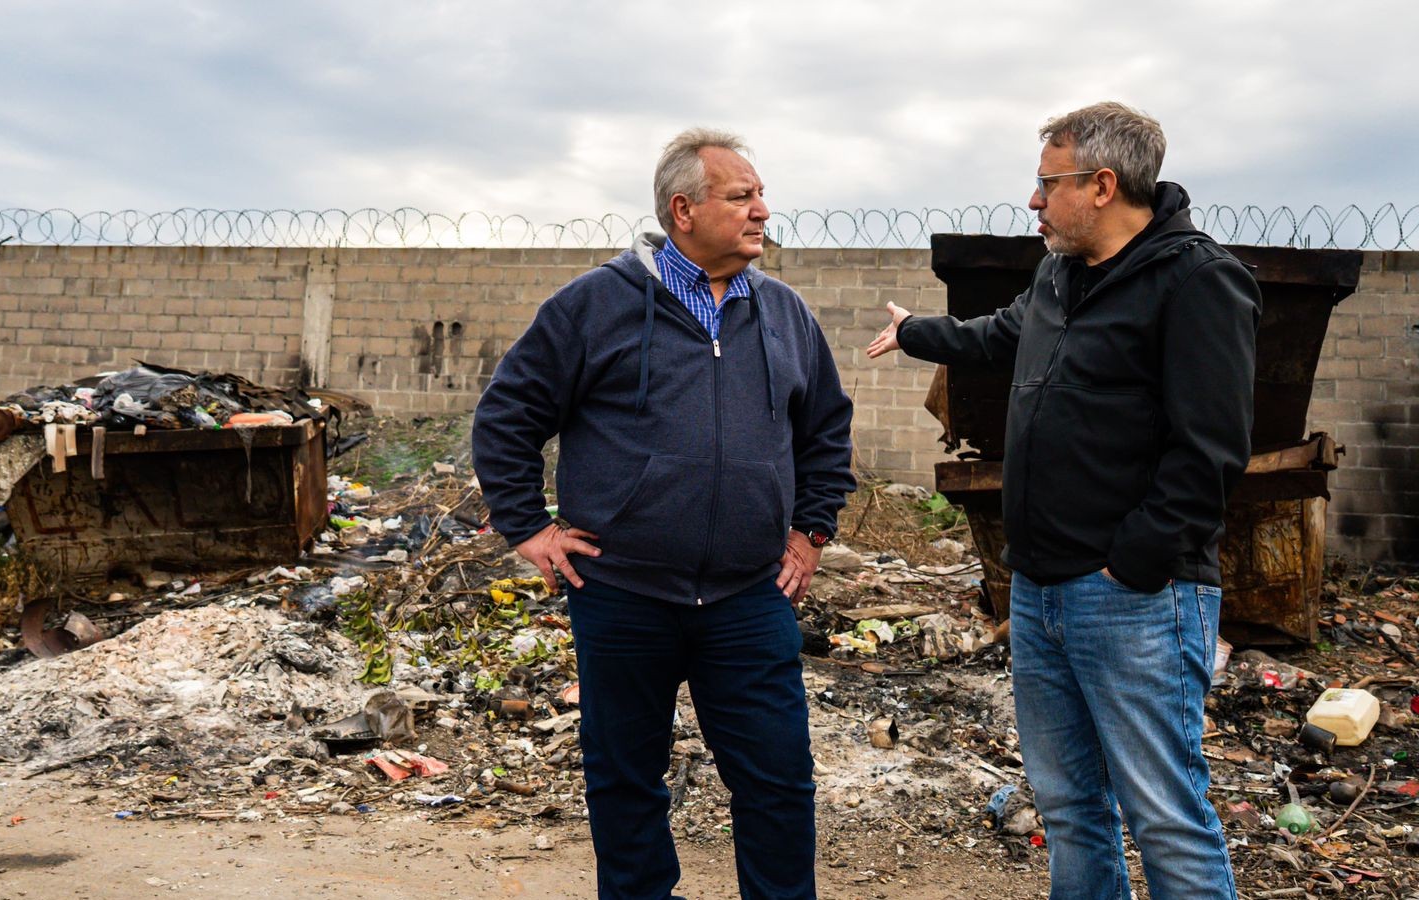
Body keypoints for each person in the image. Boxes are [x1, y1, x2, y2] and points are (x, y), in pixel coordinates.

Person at [867, 102, 1258, 900]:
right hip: (1039, 587)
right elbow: (1000, 335)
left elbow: (1211, 451)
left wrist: (1134, 562)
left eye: (1049, 184)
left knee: (1165, 816)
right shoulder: (1058, 275)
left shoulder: (1198, 281)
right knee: (1072, 808)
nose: (1035, 200)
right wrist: (916, 333)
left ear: (1103, 185)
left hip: (1135, 599)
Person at [472, 127, 854, 899]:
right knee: (626, 780)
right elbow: (507, 415)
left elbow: (826, 430)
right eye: (741, 197)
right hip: (623, 592)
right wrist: (530, 527)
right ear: (684, 210)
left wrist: (811, 530)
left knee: (779, 780)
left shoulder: (784, 313)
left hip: (749, 596)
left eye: (761, 195)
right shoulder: (595, 306)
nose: (762, 211)